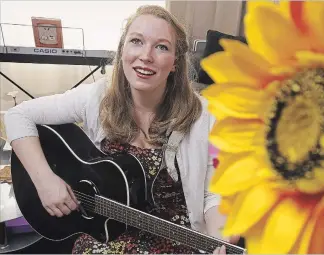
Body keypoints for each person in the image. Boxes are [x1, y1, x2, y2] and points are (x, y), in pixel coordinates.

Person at [4, 5, 237, 254]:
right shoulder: (97, 97)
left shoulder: (205, 115)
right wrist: (45, 181)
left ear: (175, 63)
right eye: (136, 41)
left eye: (162, 47)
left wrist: (219, 240)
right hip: (104, 234)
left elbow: (214, 195)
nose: (146, 55)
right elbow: (18, 116)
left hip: (176, 238)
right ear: (122, 49)